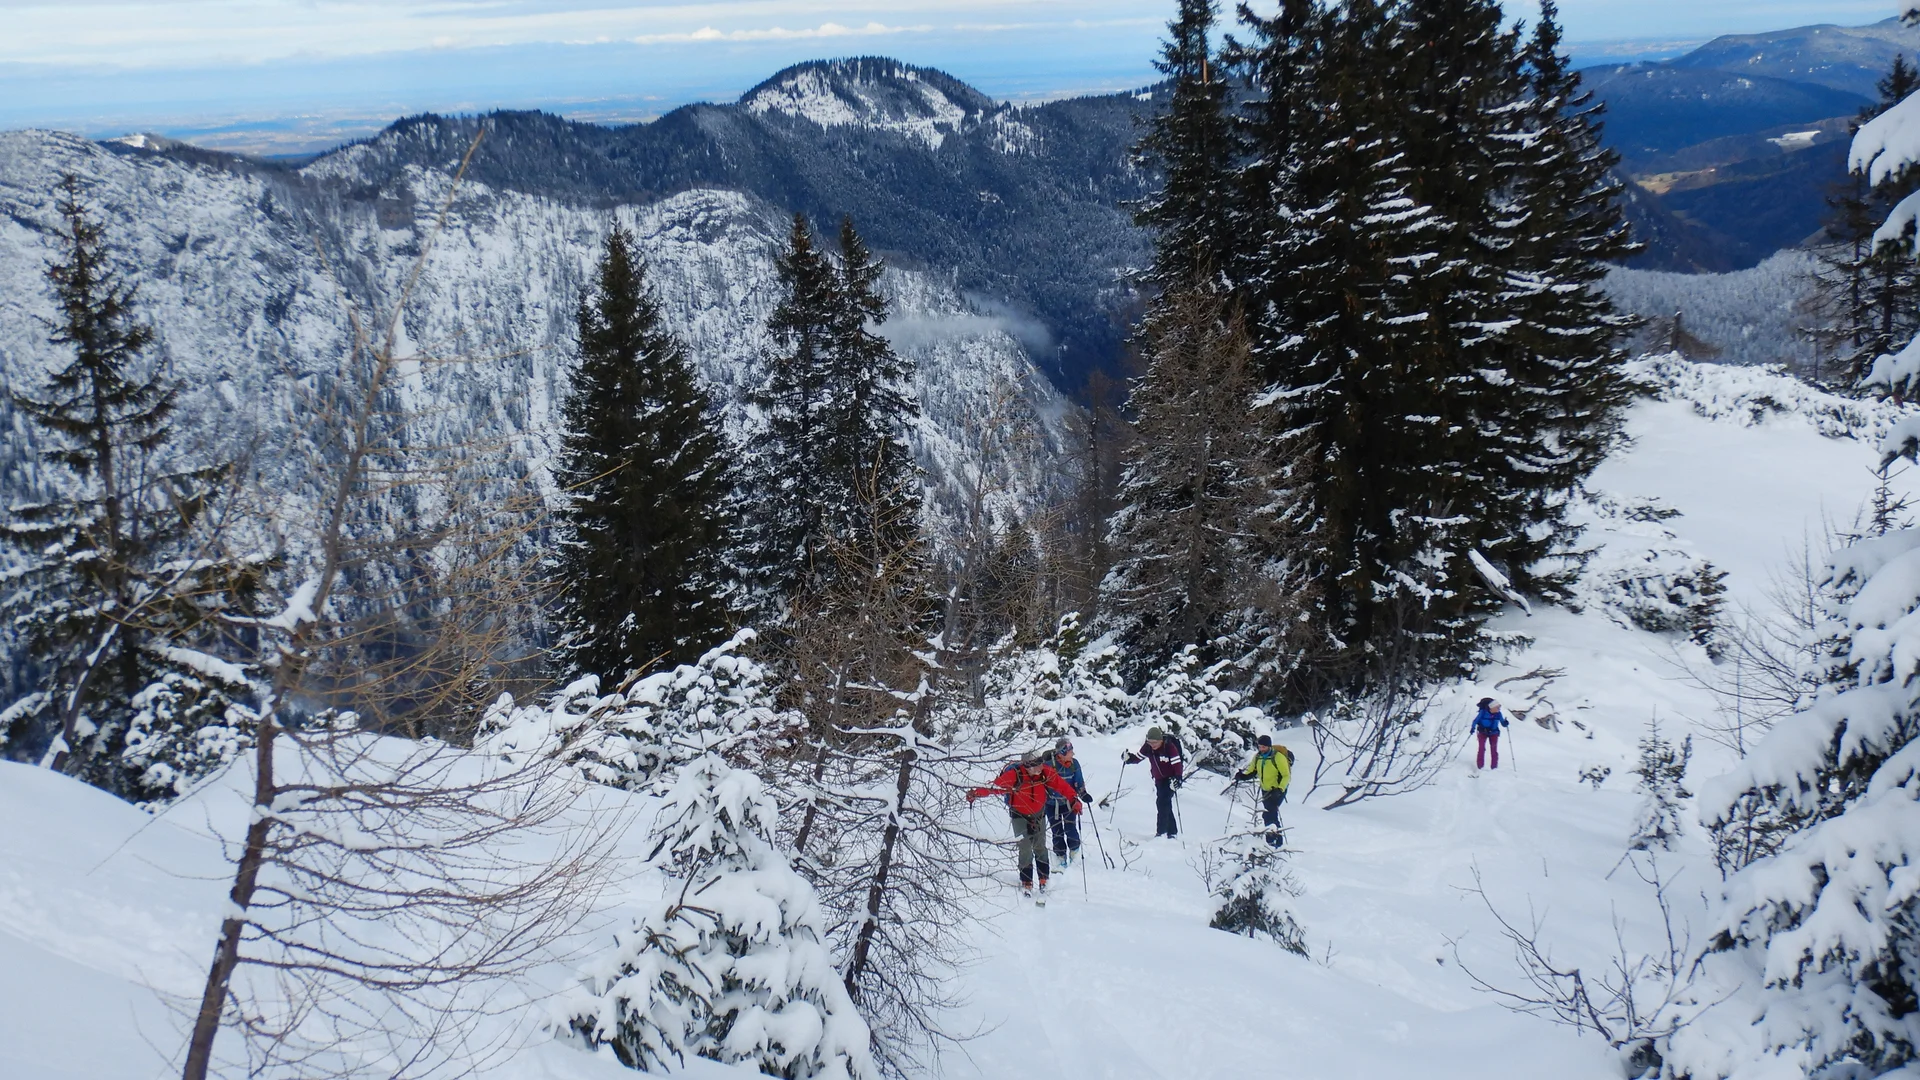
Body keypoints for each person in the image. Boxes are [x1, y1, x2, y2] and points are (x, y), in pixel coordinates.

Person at [968, 749, 1083, 896]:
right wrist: (975, 793)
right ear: (1027, 766)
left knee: (1040, 847)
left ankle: (1044, 879)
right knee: (1025, 847)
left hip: (1039, 814)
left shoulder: (1045, 773)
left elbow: (1062, 786)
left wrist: (1074, 800)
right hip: (1019, 815)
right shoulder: (1015, 775)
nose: (1039, 768)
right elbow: (994, 788)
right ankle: (1026, 881)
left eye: (1040, 764)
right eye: (1035, 766)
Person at [1122, 725, 1185, 838]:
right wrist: (1128, 759)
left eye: (1155, 742)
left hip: (1170, 779)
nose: (1153, 745)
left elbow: (1177, 764)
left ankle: (1161, 832)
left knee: (1162, 802)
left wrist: (1178, 778)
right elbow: (1138, 758)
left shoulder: (1169, 747)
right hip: (1159, 779)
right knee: (1165, 804)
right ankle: (1172, 832)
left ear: (1161, 740)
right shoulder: (1148, 747)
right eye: (1150, 742)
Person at [1040, 738, 1091, 866]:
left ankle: (1074, 852)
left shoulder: (1075, 764)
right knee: (1056, 831)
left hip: (1069, 803)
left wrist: (1083, 794)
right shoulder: (1049, 765)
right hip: (1051, 804)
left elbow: (1078, 782)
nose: (1072, 754)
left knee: (1070, 828)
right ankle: (1060, 855)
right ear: (1062, 753)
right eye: (1070, 751)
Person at [1237, 735, 1292, 847]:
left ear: (1269, 746)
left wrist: (1280, 789)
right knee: (1269, 814)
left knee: (1270, 814)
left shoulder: (1278, 757)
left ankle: (1274, 839)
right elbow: (1252, 771)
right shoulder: (1258, 757)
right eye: (1260, 746)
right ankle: (1273, 839)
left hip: (1277, 790)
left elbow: (1286, 776)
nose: (1261, 749)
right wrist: (1242, 776)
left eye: (1264, 747)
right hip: (1265, 789)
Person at [1473, 697, 1509, 770]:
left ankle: (1494, 767)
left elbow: (1503, 723)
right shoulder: (1483, 712)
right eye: (1497, 707)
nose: (1499, 709)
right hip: (1482, 732)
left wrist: (1505, 723)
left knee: (1494, 749)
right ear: (1492, 707)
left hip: (1494, 732)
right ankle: (1480, 766)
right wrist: (1472, 728)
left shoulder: (1498, 714)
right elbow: (1475, 721)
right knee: (1481, 748)